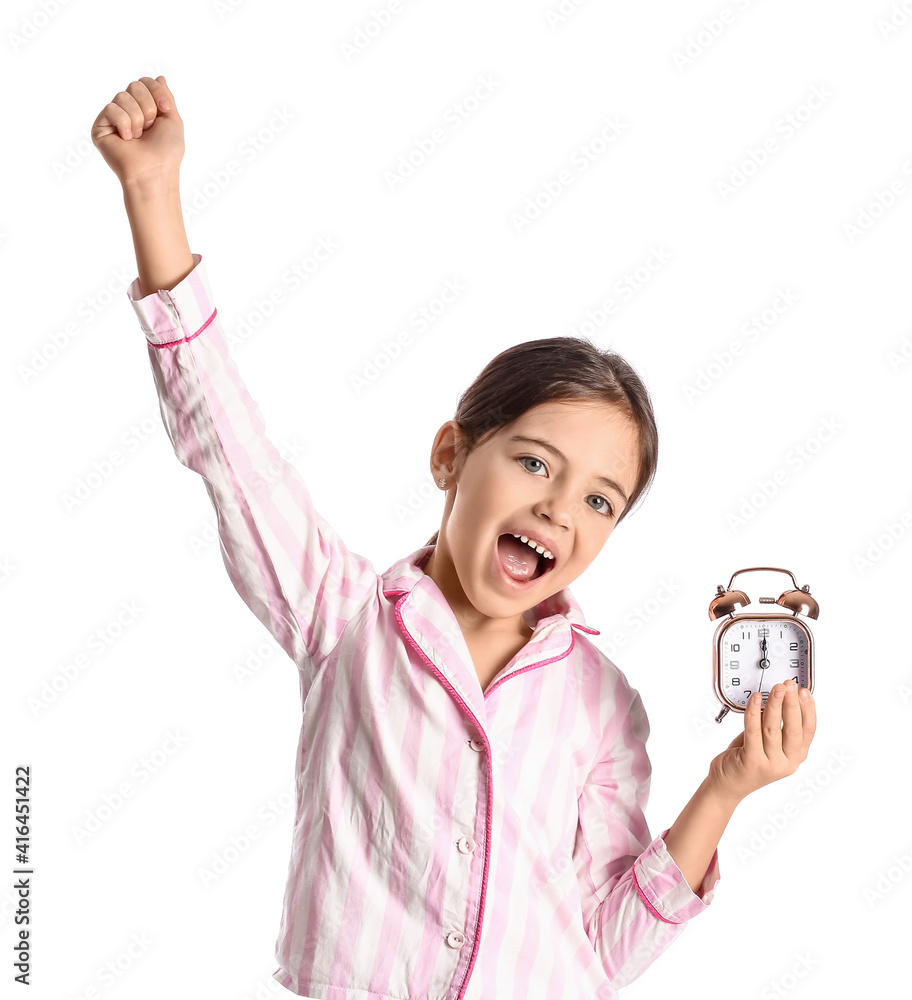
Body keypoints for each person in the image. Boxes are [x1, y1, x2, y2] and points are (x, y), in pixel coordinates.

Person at [92, 75, 817, 1000]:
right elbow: (231, 450)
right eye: (537, 464)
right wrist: (153, 194)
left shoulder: (604, 706)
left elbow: (604, 951)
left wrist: (726, 786)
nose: (561, 510)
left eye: (601, 501)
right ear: (451, 456)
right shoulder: (345, 615)